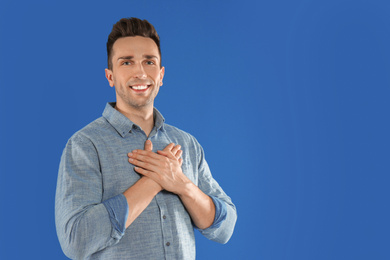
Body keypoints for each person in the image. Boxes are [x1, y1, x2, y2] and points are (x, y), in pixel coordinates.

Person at [55, 17, 237, 260]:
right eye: (127, 62)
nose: (140, 72)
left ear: (160, 74)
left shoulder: (188, 144)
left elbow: (225, 228)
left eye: (149, 62)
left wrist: (181, 184)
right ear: (110, 76)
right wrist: (154, 181)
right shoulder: (85, 145)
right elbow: (76, 239)